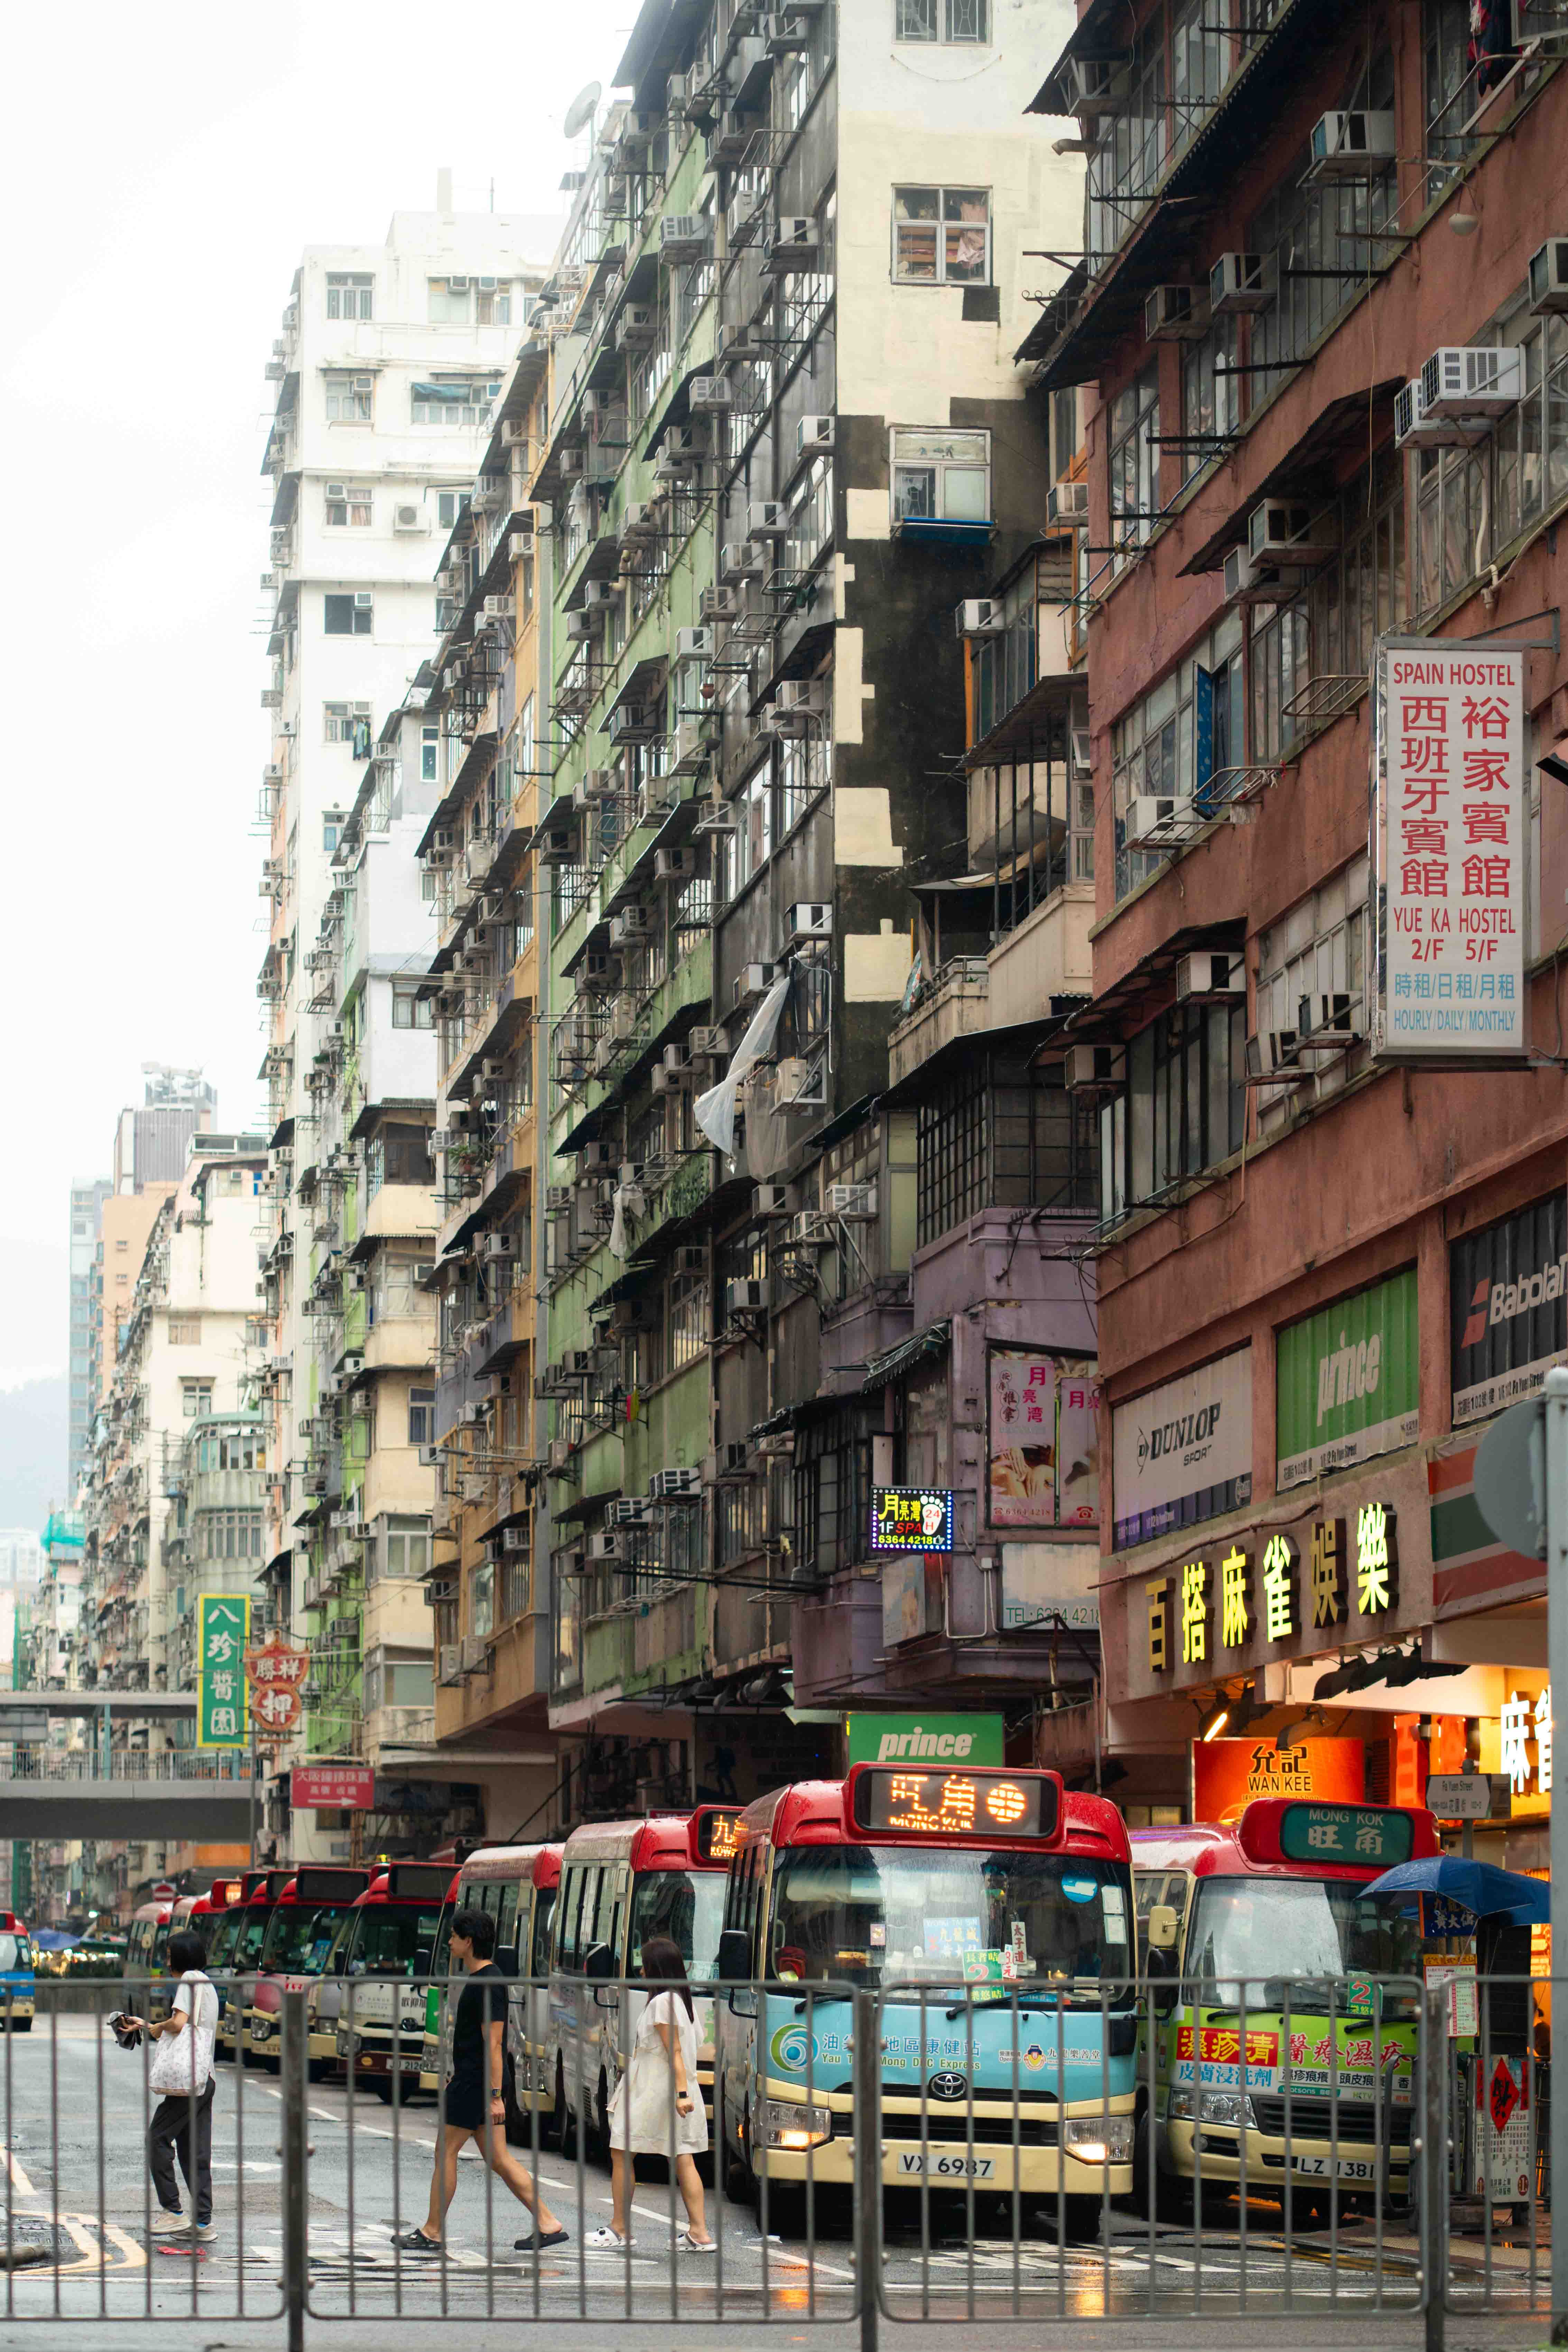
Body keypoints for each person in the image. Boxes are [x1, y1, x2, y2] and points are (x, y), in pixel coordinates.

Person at [395, 1907, 568, 2256]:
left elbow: (493, 2044)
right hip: (473, 2082)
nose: (449, 1942)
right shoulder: (486, 1979)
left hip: (477, 2086)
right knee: (499, 2158)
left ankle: (432, 2231)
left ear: (469, 1941)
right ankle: (548, 2223)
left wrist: (493, 2095)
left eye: (454, 1936)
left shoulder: (487, 1982)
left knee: (446, 2151)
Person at [587, 1935, 713, 2253]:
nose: (641, 1972)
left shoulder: (661, 2002)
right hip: (672, 2089)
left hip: (655, 2090)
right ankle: (699, 2232)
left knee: (622, 2151)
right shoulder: (685, 2003)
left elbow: (674, 2054)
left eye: (645, 1965)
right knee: (683, 2156)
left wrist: (681, 2093)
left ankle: (620, 2228)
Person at [119, 1929, 219, 2240]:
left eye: (169, 1955)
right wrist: (146, 2026)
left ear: (181, 1957)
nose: (166, 1960)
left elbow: (177, 2024)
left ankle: (173, 2212)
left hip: (189, 2080)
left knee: (157, 2138)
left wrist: (160, 2027)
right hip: (205, 2078)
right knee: (195, 2153)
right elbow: (186, 2028)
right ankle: (202, 2223)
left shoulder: (189, 1979)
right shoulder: (208, 1985)